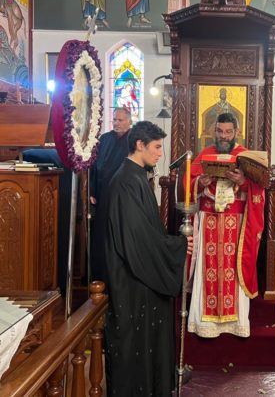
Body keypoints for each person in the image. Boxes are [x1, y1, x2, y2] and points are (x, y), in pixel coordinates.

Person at [99, 121, 192, 396]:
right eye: (157, 147)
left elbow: (148, 229)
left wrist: (170, 244)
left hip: (139, 271)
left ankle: (154, 384)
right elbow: (137, 238)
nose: (160, 154)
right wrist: (177, 246)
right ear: (140, 145)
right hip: (130, 277)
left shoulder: (137, 175)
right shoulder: (126, 181)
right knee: (134, 339)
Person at [187, 112, 265, 338]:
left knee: (233, 269)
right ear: (214, 131)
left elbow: (259, 189)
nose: (224, 136)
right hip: (208, 220)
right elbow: (188, 185)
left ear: (236, 132)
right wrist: (200, 182)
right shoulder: (205, 155)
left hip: (236, 223)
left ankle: (235, 324)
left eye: (228, 132)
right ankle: (205, 324)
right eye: (220, 131)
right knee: (207, 268)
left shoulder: (245, 156)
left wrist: (243, 181)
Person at [90, 108, 132, 280]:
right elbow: (95, 166)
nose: (116, 123)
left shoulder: (134, 140)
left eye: (120, 120)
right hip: (102, 194)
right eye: (114, 119)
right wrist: (92, 190)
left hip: (122, 197)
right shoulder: (105, 139)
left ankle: (118, 276)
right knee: (101, 235)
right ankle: (99, 275)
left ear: (129, 121)